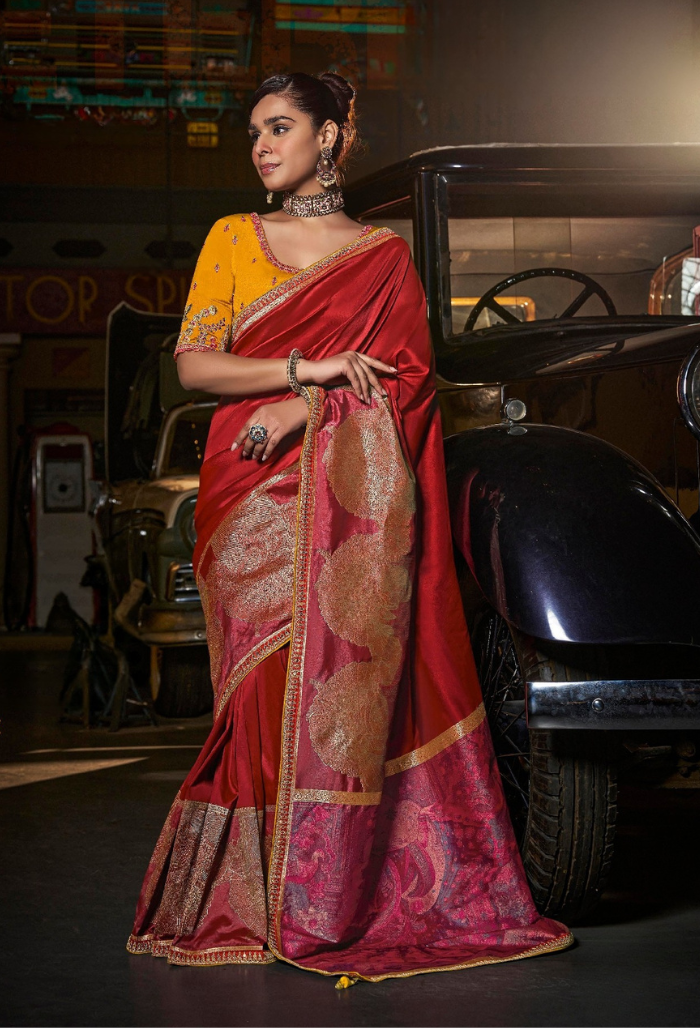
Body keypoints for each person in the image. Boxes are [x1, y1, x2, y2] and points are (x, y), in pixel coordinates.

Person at [126, 71, 572, 983]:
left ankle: (326, 896)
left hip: (338, 488)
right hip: (248, 488)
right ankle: (247, 900)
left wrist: (308, 403)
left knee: (340, 695)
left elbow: (406, 384)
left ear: (329, 137)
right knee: (257, 694)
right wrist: (306, 368)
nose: (260, 144)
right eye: (253, 130)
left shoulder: (382, 259)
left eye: (279, 127)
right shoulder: (232, 239)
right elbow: (195, 368)